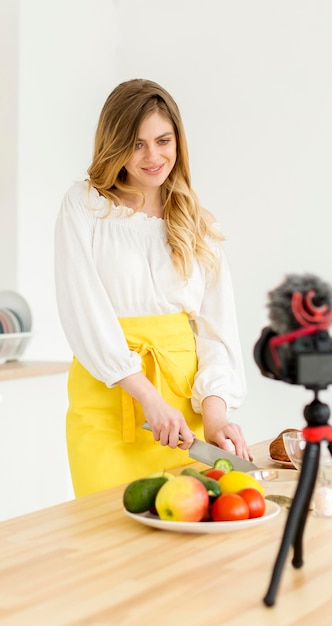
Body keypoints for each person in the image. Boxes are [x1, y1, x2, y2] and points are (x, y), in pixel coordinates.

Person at [54, 78, 250, 497]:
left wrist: (215, 415)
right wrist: (147, 397)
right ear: (114, 144)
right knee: (108, 540)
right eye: (136, 143)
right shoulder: (85, 206)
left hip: (184, 413)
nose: (153, 156)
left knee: (184, 542)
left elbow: (217, 330)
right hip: (109, 404)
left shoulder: (197, 219)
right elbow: (82, 308)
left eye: (163, 140)